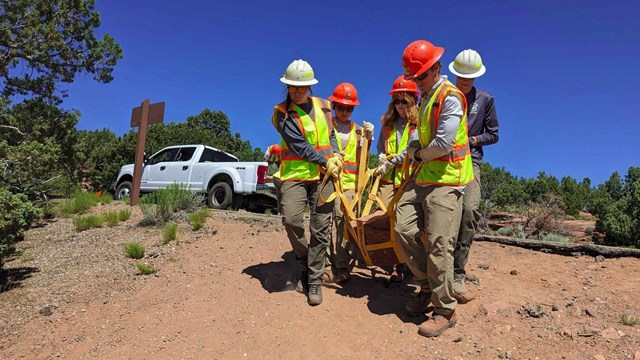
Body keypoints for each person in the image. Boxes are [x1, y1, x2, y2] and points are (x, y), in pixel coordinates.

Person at [394, 40, 474, 337]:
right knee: (402, 229)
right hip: (424, 178)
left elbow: (442, 145)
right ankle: (427, 286)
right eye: (414, 78)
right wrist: (398, 158)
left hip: (448, 180)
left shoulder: (450, 98)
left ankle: (445, 310)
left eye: (421, 76)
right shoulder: (426, 98)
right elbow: (418, 141)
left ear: (437, 68)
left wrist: (415, 155)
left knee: (440, 243)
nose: (418, 82)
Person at [271, 59, 343, 306]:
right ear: (288, 86)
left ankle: (313, 280)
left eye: (302, 87)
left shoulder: (324, 106)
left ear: (310, 87)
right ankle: (305, 261)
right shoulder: (281, 114)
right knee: (292, 220)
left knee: (321, 226)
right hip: (296, 175)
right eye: (293, 87)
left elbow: (331, 134)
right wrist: (325, 161)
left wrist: (337, 155)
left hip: (324, 176)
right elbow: (298, 145)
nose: (297, 91)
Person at [448, 49, 499, 301]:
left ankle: (457, 273)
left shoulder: (485, 100)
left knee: (469, 211)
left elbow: (494, 134)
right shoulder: (445, 95)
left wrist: (472, 140)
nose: (464, 80)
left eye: (469, 77)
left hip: (471, 161)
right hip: (442, 161)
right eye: (460, 76)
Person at [373, 75, 420, 282]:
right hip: (388, 179)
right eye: (397, 101)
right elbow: (381, 148)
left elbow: (412, 150)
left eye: (404, 100)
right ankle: (387, 260)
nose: (400, 105)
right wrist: (382, 158)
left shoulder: (418, 123)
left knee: (405, 223)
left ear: (412, 100)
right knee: (383, 218)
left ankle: (407, 266)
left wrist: (392, 162)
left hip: (409, 179)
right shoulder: (387, 124)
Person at [326, 82, 374, 284]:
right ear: (334, 106)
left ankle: (343, 266)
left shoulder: (358, 131)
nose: (344, 111)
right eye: (341, 107)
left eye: (349, 108)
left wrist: (369, 139)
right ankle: (328, 265)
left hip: (349, 185)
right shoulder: (326, 126)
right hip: (329, 181)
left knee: (344, 225)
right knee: (326, 223)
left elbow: (363, 158)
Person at [264, 144, 283, 215]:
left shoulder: (280, 152)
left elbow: (281, 164)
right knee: (265, 167)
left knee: (281, 167)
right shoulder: (268, 152)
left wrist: (280, 173)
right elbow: (265, 163)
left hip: (277, 160)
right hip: (270, 159)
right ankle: (264, 176)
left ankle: (279, 175)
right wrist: (265, 175)